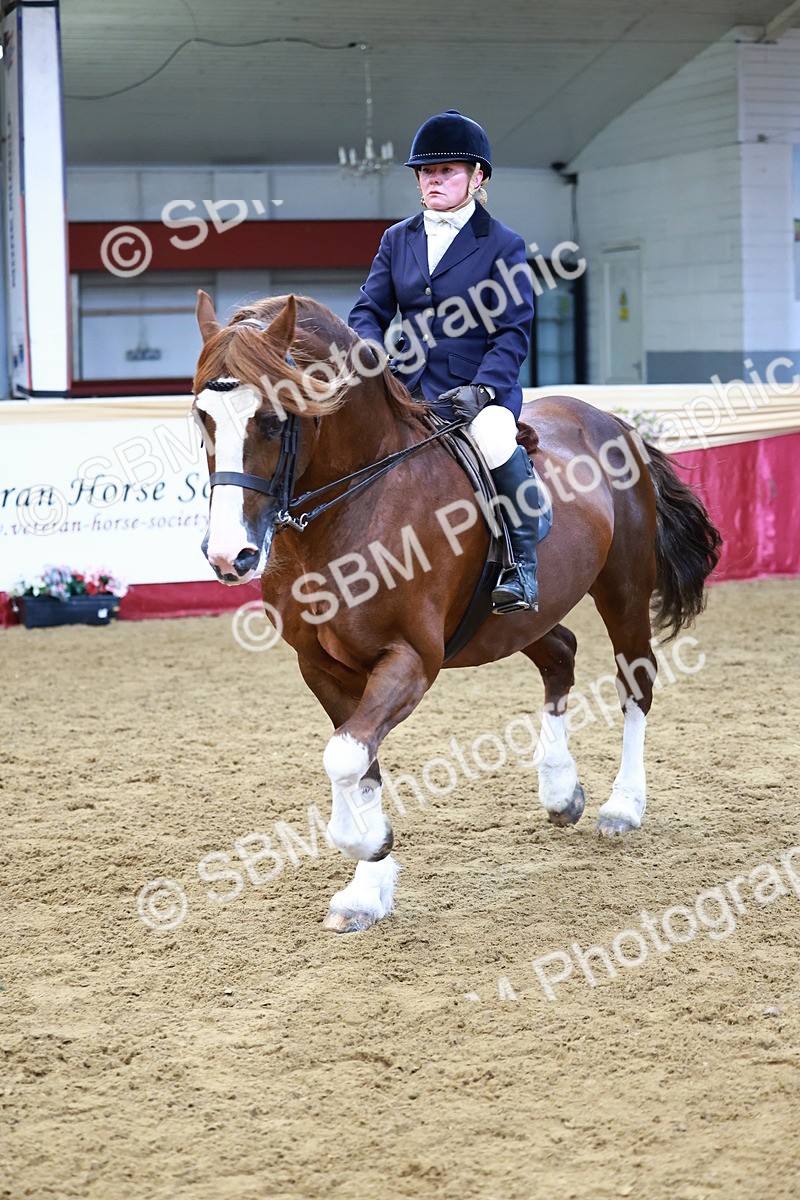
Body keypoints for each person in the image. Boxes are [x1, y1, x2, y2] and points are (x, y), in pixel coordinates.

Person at [348, 109, 539, 613]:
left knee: (495, 439)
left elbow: (513, 331)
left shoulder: (502, 244)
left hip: (475, 391)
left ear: (478, 178)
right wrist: (371, 352)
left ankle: (521, 566)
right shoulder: (398, 239)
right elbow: (369, 308)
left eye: (447, 171)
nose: (433, 180)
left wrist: (485, 389)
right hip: (405, 388)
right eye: (426, 172)